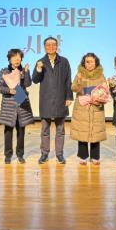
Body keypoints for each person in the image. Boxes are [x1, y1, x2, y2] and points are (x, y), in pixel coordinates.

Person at [32, 36, 73, 164]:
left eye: (53, 45)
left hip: (61, 99)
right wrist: (38, 69)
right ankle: (44, 154)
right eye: (48, 45)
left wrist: (69, 96)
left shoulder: (64, 61)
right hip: (46, 100)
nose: (51, 47)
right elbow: (35, 80)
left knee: (60, 130)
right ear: (44, 47)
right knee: (45, 130)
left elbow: (68, 80)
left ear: (57, 46)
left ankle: (59, 154)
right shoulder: (40, 62)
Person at [70, 52, 108, 165]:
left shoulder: (101, 76)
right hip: (82, 107)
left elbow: (105, 91)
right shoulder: (79, 74)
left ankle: (95, 157)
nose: (89, 64)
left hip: (96, 106)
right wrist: (79, 81)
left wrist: (99, 97)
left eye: (91, 62)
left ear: (96, 63)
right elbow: (74, 88)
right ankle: (83, 156)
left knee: (95, 132)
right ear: (84, 63)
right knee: (82, 132)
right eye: (87, 62)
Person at [0, 48, 34, 164]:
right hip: (9, 105)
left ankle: (20, 154)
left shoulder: (23, 70)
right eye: (14, 57)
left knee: (21, 131)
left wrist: (27, 72)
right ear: (9, 59)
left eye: (19, 57)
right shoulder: (4, 71)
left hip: (21, 104)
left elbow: (28, 84)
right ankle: (8, 155)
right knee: (8, 131)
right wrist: (9, 90)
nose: (17, 60)